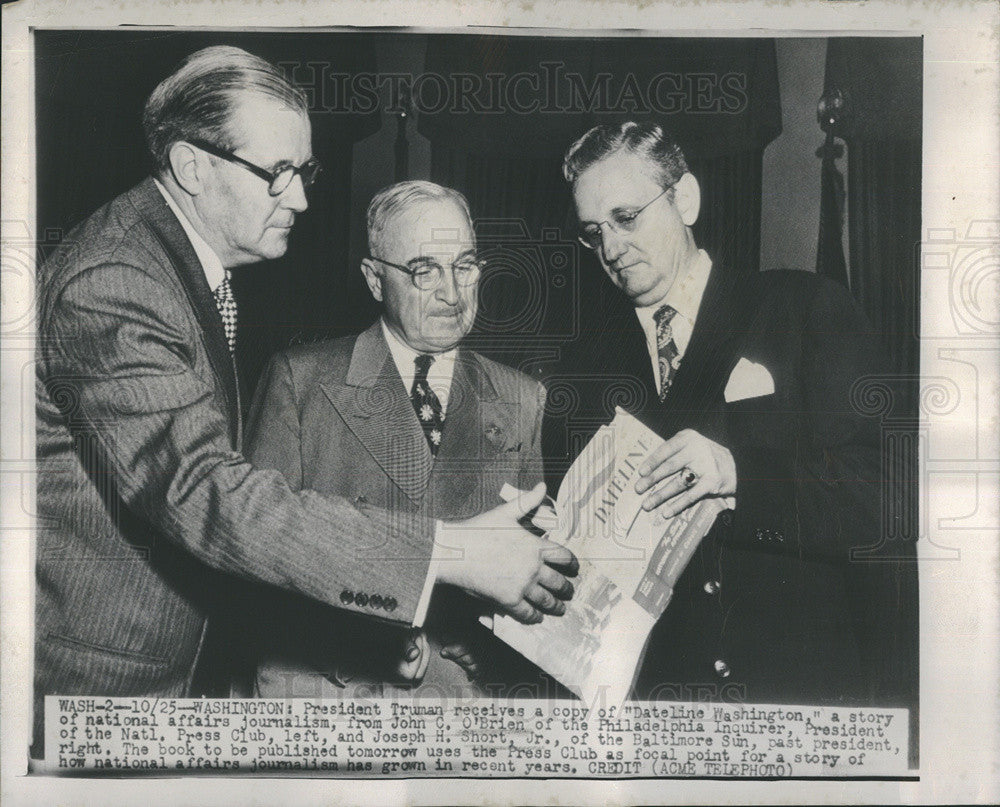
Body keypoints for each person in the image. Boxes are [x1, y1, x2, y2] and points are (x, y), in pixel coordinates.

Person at [33, 46, 575, 753]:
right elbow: (207, 493)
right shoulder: (118, 279)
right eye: (277, 173)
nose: (301, 199)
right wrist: (456, 553)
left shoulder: (171, 270)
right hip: (99, 684)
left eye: (305, 171)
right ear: (193, 165)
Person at [543, 120, 888, 706]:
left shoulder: (802, 307)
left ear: (686, 199)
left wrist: (737, 474)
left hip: (795, 699)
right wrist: (549, 540)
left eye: (627, 218)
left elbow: (883, 501)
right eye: (593, 232)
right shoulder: (580, 371)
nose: (611, 248)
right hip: (658, 713)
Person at [242, 180, 567, 697]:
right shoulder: (300, 382)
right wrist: (358, 637)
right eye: (423, 271)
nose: (452, 293)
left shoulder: (521, 397)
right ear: (375, 279)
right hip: (333, 703)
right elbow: (252, 561)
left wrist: (492, 642)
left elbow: (539, 578)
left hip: (462, 712)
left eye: (464, 265)